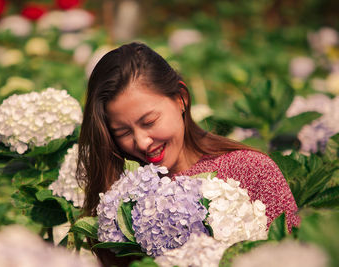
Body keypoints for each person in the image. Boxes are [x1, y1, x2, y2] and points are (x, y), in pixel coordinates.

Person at [76, 42, 300, 266]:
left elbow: (298, 256)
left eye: (149, 121)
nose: (142, 142)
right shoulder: (121, 197)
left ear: (181, 98)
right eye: (123, 132)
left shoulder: (252, 169)